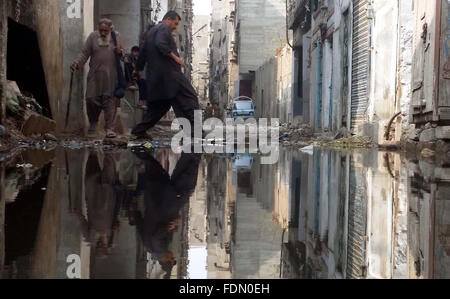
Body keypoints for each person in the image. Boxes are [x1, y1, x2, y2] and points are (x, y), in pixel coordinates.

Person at [131, 11, 200, 140]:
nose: (175, 27)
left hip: (157, 79)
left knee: (160, 107)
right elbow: (160, 44)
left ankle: (139, 130)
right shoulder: (163, 29)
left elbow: (143, 54)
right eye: (175, 23)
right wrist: (176, 58)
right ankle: (195, 133)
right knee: (190, 98)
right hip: (171, 75)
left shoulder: (150, 33)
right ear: (168, 19)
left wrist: (137, 69)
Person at [133, 150, 201, 279]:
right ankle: (139, 148)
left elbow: (156, 236)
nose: (173, 255)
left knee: (189, 176)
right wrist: (135, 211)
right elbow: (139, 225)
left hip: (169, 202)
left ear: (167, 260)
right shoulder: (148, 247)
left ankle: (194, 146)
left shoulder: (160, 249)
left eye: (172, 258)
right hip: (154, 197)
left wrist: (171, 225)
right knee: (154, 167)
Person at [71, 18, 122, 139]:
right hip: (95, 74)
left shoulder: (116, 37)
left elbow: (121, 54)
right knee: (91, 99)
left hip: (110, 75)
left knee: (109, 101)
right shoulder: (93, 37)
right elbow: (85, 53)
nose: (103, 33)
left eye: (106, 30)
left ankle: (109, 128)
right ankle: (93, 124)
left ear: (110, 28)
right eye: (101, 30)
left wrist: (119, 50)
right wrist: (77, 63)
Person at [123, 46, 149, 110]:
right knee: (127, 65)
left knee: (143, 82)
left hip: (134, 76)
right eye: (136, 53)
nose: (137, 55)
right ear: (133, 51)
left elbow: (136, 68)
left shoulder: (135, 59)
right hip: (127, 76)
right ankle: (130, 83)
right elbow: (125, 61)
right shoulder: (127, 56)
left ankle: (141, 101)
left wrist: (137, 71)